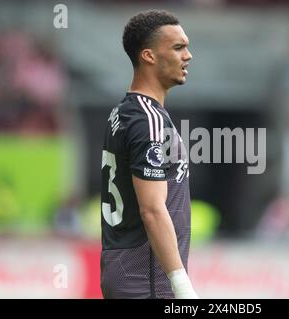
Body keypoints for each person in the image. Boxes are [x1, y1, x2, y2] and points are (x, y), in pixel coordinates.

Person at [100, 10, 198, 299]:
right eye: (178, 47)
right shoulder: (148, 121)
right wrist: (182, 286)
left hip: (128, 272)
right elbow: (153, 210)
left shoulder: (123, 112)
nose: (188, 55)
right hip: (147, 278)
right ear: (149, 56)